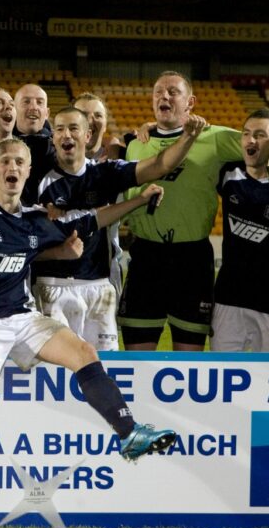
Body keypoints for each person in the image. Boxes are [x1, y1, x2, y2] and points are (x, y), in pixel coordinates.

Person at [0, 137, 176, 470]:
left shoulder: (35, 220)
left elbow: (92, 220)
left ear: (28, 171)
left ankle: (129, 434)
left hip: (22, 316)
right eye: (5, 162)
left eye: (19, 162)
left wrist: (137, 202)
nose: (12, 167)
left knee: (85, 353)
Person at [35, 107, 205, 350]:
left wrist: (188, 137)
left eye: (74, 128)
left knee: (105, 369)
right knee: (54, 370)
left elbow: (158, 165)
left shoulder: (106, 172)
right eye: (59, 129)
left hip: (98, 284)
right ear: (53, 137)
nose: (66, 135)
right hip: (51, 284)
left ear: (87, 135)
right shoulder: (38, 179)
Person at [118, 71, 245, 351]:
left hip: (192, 259)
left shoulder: (213, 137)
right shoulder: (135, 142)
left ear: (191, 102)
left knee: (189, 360)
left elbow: (260, 141)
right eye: (158, 92)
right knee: (137, 357)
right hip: (145, 257)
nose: (164, 96)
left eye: (173, 92)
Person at [210, 109, 269, 352]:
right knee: (224, 378)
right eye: (246, 134)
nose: (251, 140)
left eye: (260, 135)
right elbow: (202, 139)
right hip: (227, 299)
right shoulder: (228, 174)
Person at [72, 92, 124, 162]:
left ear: (105, 125)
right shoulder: (55, 159)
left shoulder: (120, 160)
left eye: (98, 115)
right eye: (83, 115)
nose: (90, 121)